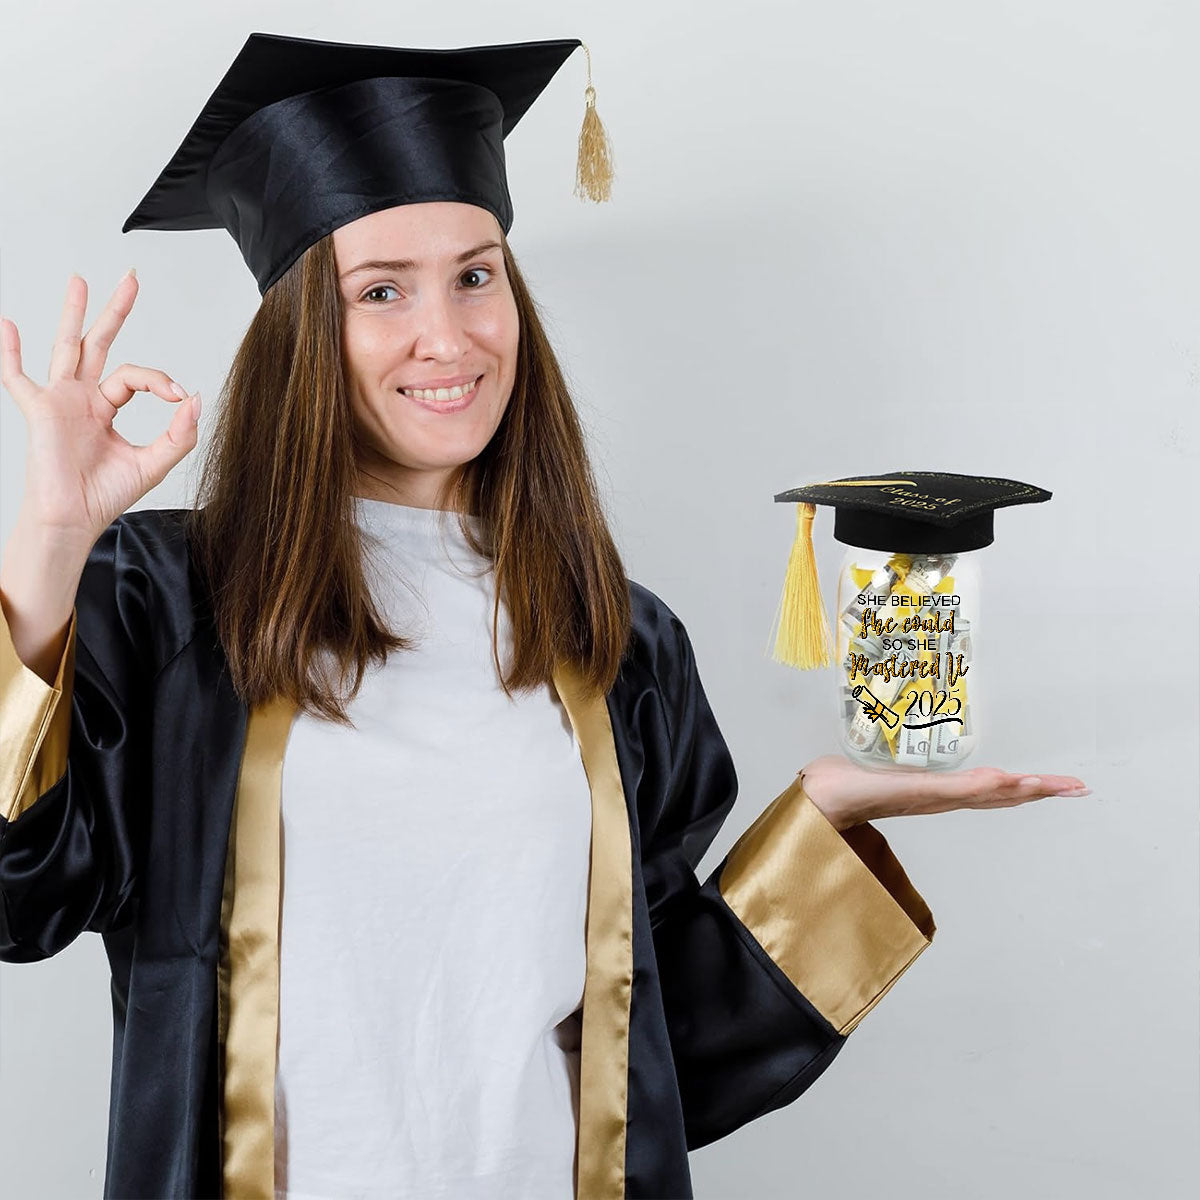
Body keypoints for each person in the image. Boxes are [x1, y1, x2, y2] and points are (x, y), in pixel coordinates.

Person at [0, 31, 1090, 1200]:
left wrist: (820, 826)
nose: (450, 336)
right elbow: (21, 899)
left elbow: (653, 1061)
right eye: (381, 291)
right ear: (302, 333)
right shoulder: (171, 603)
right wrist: (53, 538)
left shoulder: (618, 643)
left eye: (476, 276)